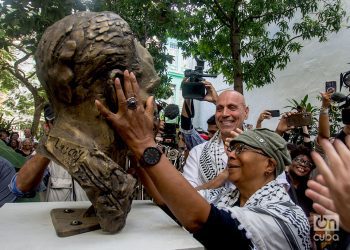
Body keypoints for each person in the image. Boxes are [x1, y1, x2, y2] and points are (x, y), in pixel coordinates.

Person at [95, 71, 310, 249]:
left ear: (270, 165)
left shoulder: (285, 216)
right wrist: (135, 151)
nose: (231, 155)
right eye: (219, 107)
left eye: (241, 149)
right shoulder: (225, 195)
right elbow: (168, 199)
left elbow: (197, 216)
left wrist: (142, 141)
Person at [9, 104, 88, 202]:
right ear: (47, 126)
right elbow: (19, 188)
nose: (66, 127)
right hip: (55, 216)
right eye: (57, 122)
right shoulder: (42, 156)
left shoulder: (95, 152)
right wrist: (50, 143)